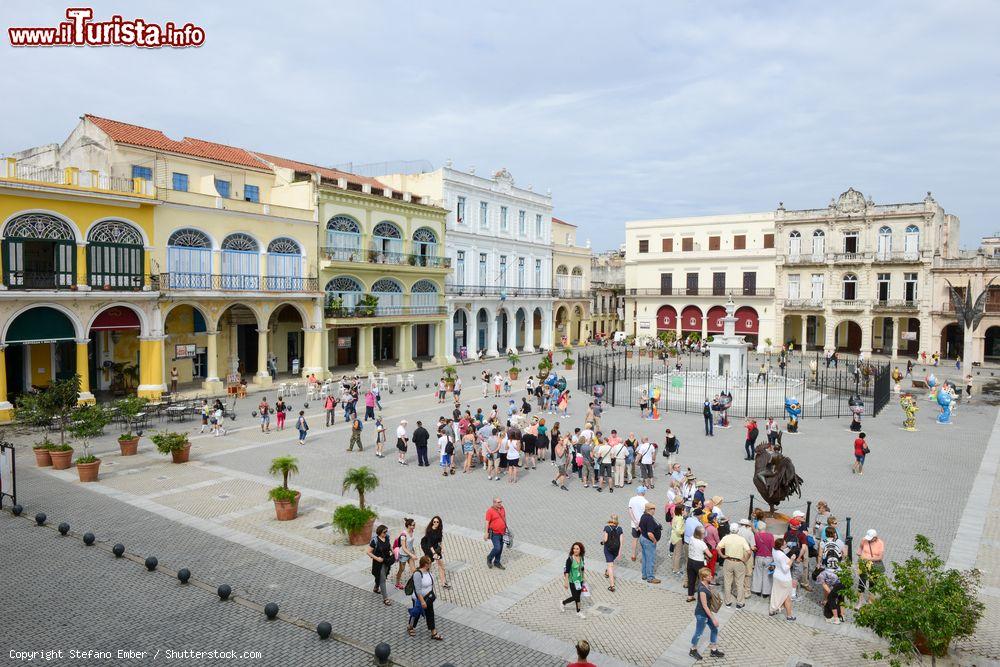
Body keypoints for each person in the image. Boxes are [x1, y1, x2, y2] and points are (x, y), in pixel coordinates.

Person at [690, 567, 725, 661]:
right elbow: (705, 606)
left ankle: (713, 650)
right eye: (709, 575)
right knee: (699, 632)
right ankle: (693, 649)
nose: (711, 576)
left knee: (714, 629)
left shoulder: (706, 584)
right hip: (701, 614)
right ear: (704, 578)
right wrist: (713, 618)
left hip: (706, 613)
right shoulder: (701, 590)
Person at [406, 556, 442, 640]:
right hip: (419, 599)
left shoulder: (428, 572)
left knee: (430, 613)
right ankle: (410, 626)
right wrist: (422, 602)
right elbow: (418, 590)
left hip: (428, 598)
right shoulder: (418, 574)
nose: (431, 564)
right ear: (426, 564)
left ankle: (433, 632)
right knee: (416, 613)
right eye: (430, 563)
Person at [717, 525, 751, 608]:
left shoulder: (726, 538)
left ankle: (728, 602)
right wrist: (745, 559)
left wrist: (722, 556)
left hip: (728, 560)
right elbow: (749, 552)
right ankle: (740, 602)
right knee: (739, 583)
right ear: (738, 530)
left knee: (727, 582)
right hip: (739, 562)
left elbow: (717, 548)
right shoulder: (741, 539)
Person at [366, 524, 395, 606]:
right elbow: (368, 552)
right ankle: (385, 598)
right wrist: (377, 558)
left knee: (383, 576)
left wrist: (393, 552)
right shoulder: (374, 541)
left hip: (387, 560)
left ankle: (376, 587)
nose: (386, 533)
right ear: (379, 532)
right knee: (383, 579)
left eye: (386, 531)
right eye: (384, 532)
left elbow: (389, 546)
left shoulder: (387, 537)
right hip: (378, 562)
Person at [857, 529, 885, 608]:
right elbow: (860, 549)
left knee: (872, 583)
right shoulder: (864, 540)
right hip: (863, 564)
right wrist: (859, 554)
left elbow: (880, 557)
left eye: (871, 538)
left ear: (875, 537)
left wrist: (868, 559)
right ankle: (860, 601)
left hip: (874, 565)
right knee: (861, 582)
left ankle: (870, 600)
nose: (868, 539)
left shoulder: (880, 543)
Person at [421, 516, 451, 589]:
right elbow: (429, 544)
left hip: (436, 548)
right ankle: (423, 580)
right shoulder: (429, 531)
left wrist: (441, 549)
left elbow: (440, 541)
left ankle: (444, 583)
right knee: (428, 564)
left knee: (441, 565)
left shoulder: (439, 530)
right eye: (434, 522)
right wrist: (434, 553)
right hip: (428, 547)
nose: (436, 523)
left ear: (439, 523)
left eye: (437, 522)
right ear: (432, 522)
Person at [769, 537, 796, 620]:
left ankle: (773, 610)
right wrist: (791, 559)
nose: (786, 544)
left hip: (776, 576)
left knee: (776, 594)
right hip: (784, 579)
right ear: (781, 546)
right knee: (787, 598)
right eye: (785, 544)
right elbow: (785, 569)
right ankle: (789, 616)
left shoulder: (774, 550)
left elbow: (783, 551)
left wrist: (788, 548)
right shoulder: (781, 556)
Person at [560, 542, 587, 618]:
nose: (575, 550)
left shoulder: (581, 557)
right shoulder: (570, 559)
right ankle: (563, 603)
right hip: (573, 581)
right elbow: (567, 572)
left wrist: (583, 577)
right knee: (576, 597)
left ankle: (577, 611)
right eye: (574, 548)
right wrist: (566, 582)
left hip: (580, 580)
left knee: (577, 596)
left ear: (580, 550)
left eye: (577, 549)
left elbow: (582, 568)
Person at [639, 502, 662, 584]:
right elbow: (650, 533)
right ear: (649, 510)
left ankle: (644, 575)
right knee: (650, 559)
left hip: (643, 538)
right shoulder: (649, 519)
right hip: (648, 541)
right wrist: (654, 540)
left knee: (645, 558)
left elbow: (640, 527)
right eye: (653, 509)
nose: (654, 510)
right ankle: (650, 577)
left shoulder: (643, 516)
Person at [750, 521, 775, 597]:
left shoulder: (756, 535)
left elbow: (754, 546)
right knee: (767, 575)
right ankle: (766, 592)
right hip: (768, 557)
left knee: (758, 573)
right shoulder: (770, 535)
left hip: (759, 556)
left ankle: (757, 590)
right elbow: (773, 547)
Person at [602, 514, 624, 592]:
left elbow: (605, 539)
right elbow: (621, 542)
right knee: (611, 563)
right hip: (616, 549)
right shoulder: (620, 529)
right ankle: (607, 572)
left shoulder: (607, 528)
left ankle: (612, 586)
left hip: (608, 549)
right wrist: (619, 552)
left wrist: (602, 542)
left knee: (610, 565)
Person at [687, 526, 709, 601]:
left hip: (690, 561)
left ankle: (690, 596)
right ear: (700, 534)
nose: (704, 534)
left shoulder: (691, 538)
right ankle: (702, 597)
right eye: (703, 533)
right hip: (699, 562)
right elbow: (709, 555)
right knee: (702, 580)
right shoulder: (702, 543)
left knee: (691, 580)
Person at [394, 518, 417, 589]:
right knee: (401, 569)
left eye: (414, 524)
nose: (414, 526)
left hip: (410, 553)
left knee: (414, 570)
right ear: (409, 526)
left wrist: (413, 551)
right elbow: (403, 547)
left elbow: (410, 544)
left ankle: (416, 583)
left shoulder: (412, 531)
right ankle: (397, 583)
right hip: (403, 555)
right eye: (413, 525)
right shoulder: (404, 535)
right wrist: (412, 554)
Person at [628, 485, 649, 562]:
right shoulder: (646, 502)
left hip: (634, 524)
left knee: (634, 539)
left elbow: (630, 511)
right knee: (644, 541)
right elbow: (646, 514)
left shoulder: (632, 499)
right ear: (643, 492)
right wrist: (639, 523)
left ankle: (633, 555)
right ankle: (644, 557)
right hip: (643, 525)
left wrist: (635, 521)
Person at [484, 497, 507, 570]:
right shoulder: (490, 511)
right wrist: (486, 533)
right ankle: (489, 558)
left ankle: (497, 562)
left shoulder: (502, 508)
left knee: (500, 548)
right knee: (497, 548)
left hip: (502, 532)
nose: (500, 503)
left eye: (501, 502)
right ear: (494, 503)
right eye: (498, 502)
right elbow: (487, 522)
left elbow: (504, 517)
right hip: (495, 533)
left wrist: (505, 527)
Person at [670, 505, 687, 574]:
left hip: (673, 537)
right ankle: (676, 570)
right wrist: (683, 531)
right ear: (681, 511)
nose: (685, 511)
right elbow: (678, 530)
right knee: (678, 554)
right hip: (678, 537)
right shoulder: (680, 518)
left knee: (675, 553)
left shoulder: (675, 516)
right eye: (684, 510)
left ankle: (673, 567)